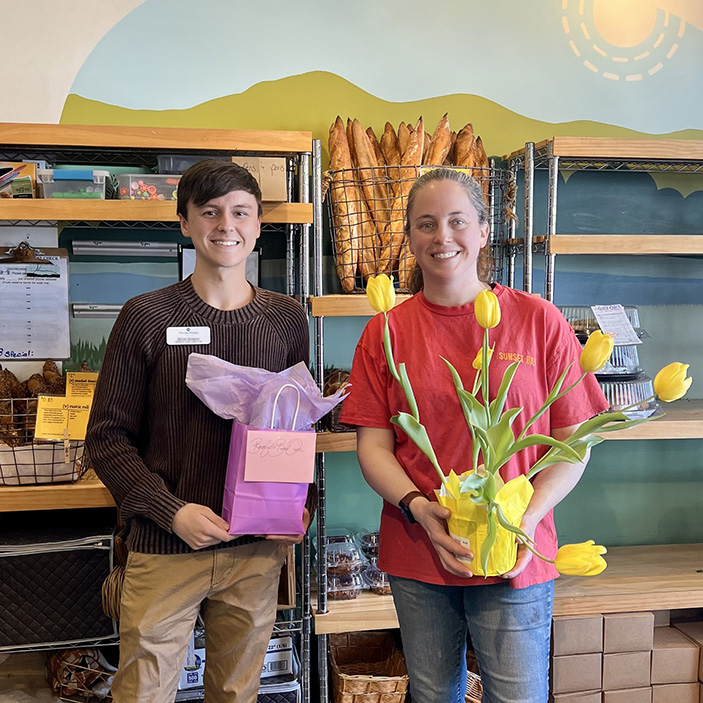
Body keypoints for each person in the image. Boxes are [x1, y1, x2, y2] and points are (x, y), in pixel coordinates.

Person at [339, 167, 609, 703]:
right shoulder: (386, 330)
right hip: (421, 550)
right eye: (426, 224)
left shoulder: (539, 321)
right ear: (411, 238)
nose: (443, 237)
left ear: (484, 232)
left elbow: (575, 442)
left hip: (517, 553)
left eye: (457, 221)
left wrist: (525, 518)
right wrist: (419, 506)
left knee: (517, 695)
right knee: (433, 694)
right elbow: (373, 445)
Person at [86, 159, 313, 703]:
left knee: (237, 692)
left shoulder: (286, 320)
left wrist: (297, 505)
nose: (226, 225)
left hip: (255, 552)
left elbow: (295, 427)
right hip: (163, 548)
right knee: (143, 692)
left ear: (260, 224)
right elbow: (106, 438)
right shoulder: (145, 316)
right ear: (185, 222)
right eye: (209, 212)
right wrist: (172, 512)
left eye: (240, 212)